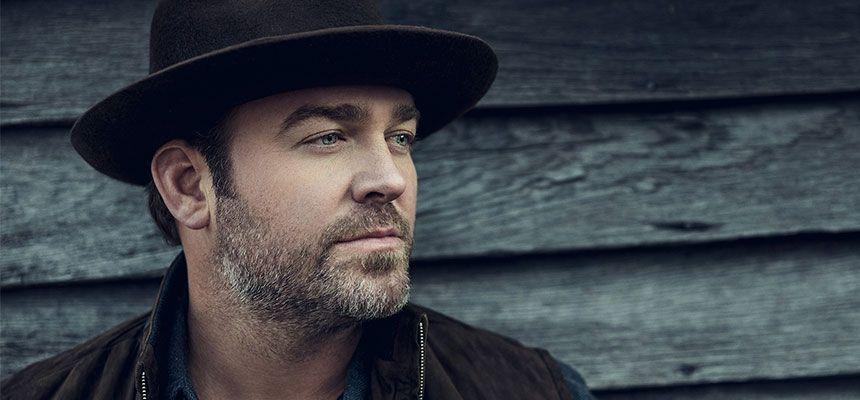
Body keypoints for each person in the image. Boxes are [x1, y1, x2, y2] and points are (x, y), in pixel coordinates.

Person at [1, 1, 595, 399]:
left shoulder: (535, 390)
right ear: (189, 185)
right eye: (328, 137)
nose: (389, 179)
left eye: (400, 137)